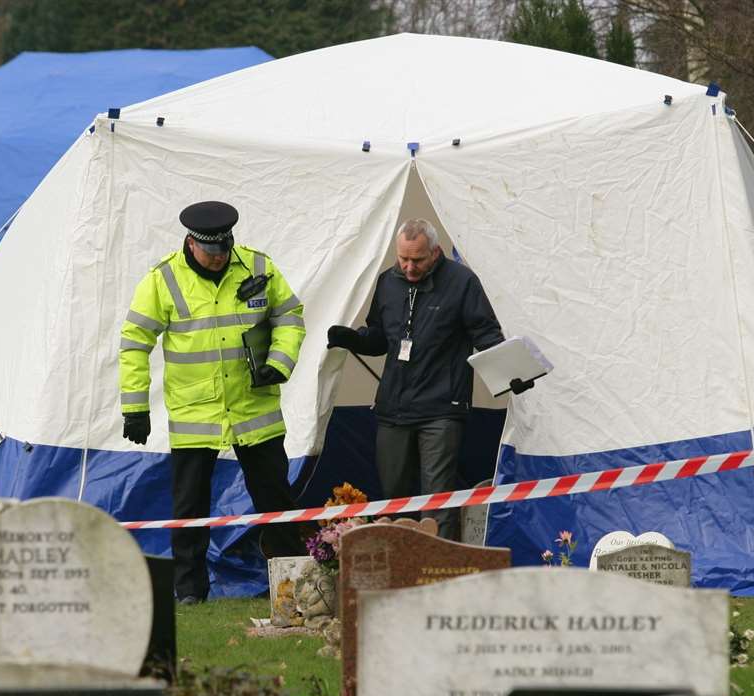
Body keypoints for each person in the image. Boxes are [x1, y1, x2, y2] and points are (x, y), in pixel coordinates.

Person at [118, 200, 307, 604]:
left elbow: (290, 316)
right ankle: (189, 594)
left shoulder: (258, 266)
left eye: (225, 250)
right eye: (211, 252)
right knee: (189, 511)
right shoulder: (162, 280)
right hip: (194, 415)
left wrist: (280, 362)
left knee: (276, 503)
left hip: (255, 411)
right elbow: (134, 342)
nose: (220, 258)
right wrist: (134, 407)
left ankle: (297, 592)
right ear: (191, 243)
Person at [326, 220, 513, 541]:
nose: (409, 267)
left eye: (418, 260)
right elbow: (380, 339)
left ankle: (441, 568)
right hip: (393, 408)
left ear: (436, 252)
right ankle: (401, 566)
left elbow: (487, 335)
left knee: (437, 496)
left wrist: (513, 372)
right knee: (393, 494)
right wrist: (353, 340)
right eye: (403, 259)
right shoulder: (387, 281)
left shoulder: (462, 282)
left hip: (443, 408)